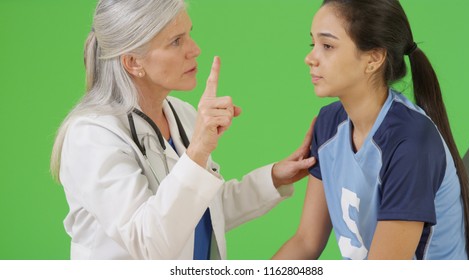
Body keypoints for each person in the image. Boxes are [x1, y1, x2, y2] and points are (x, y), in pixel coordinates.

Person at [50, 0, 315, 260]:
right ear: (133, 62)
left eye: (189, 35)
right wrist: (198, 150)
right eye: (176, 41)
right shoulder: (92, 137)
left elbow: (202, 211)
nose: (195, 49)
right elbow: (147, 243)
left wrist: (274, 177)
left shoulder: (181, 113)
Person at [273, 0, 469, 260]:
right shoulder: (328, 125)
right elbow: (305, 242)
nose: (310, 58)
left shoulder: (411, 143)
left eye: (327, 46)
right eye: (312, 43)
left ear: (373, 58)